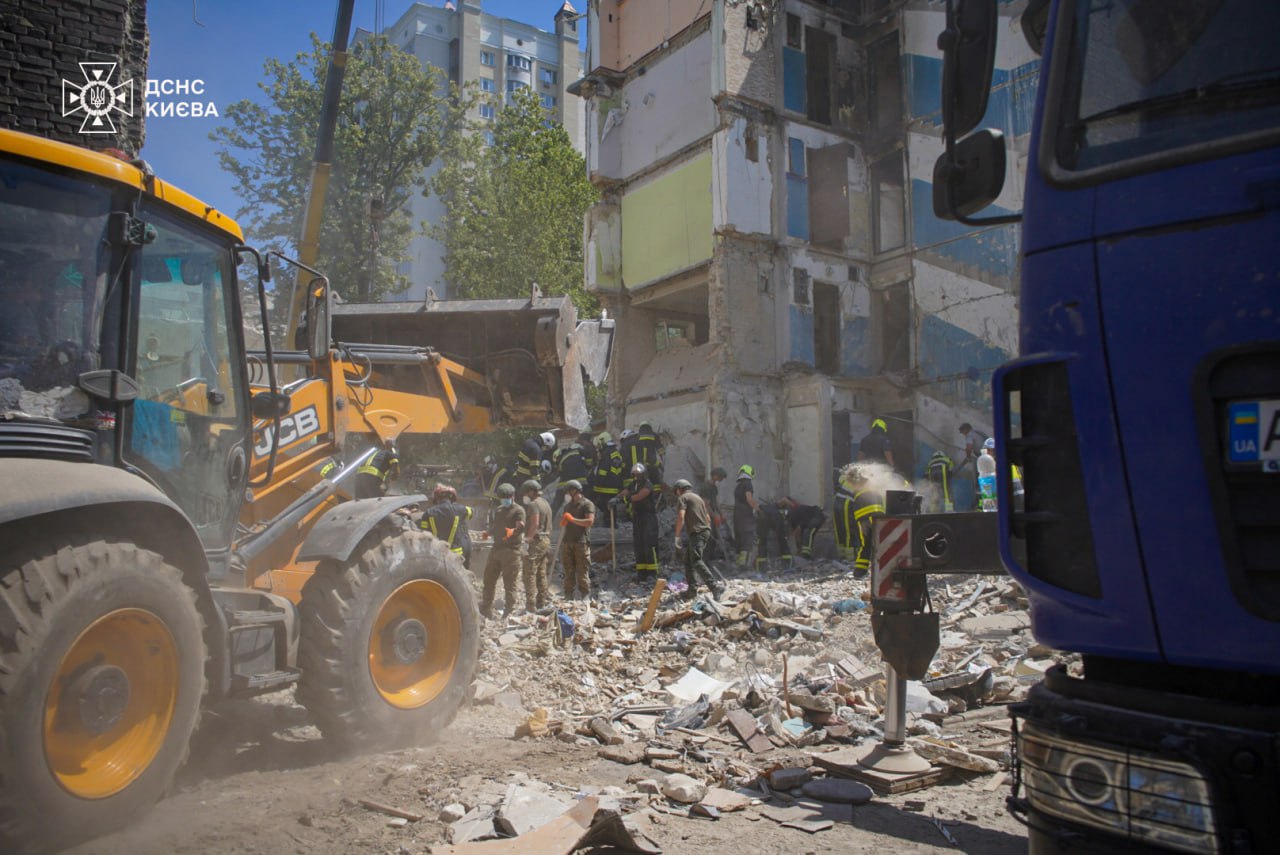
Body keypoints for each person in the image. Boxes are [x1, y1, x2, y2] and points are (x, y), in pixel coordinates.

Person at [672, 479, 725, 601]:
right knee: (688, 561)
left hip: (697, 533)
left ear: (679, 489)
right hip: (704, 531)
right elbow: (707, 518)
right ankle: (692, 590)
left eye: (676, 492)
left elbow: (681, 516)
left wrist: (677, 536)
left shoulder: (683, 498)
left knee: (696, 560)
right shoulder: (698, 498)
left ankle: (715, 587)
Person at [481, 482, 525, 618]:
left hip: (511, 551)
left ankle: (508, 612)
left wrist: (514, 531)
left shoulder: (518, 510)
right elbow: (496, 526)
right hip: (496, 549)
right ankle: (486, 609)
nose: (504, 500)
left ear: (512, 496)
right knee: (488, 579)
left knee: (509, 583)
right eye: (502, 497)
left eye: (506, 497)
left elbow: (521, 526)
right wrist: (488, 532)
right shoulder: (499, 510)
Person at [836, 464, 885, 578]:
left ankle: (860, 571)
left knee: (865, 545)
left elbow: (861, 509)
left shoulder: (860, 491)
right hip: (879, 516)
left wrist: (863, 524)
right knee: (880, 543)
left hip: (864, 517)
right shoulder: (873, 488)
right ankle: (881, 570)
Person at [421, 483, 474, 568]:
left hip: (437, 554)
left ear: (436, 498)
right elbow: (471, 512)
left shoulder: (428, 513)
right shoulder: (460, 509)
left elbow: (424, 533)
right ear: (453, 498)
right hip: (456, 555)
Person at [559, 479, 596, 600]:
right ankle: (568, 596)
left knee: (582, 572)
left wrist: (572, 519)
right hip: (567, 542)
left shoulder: (587, 504)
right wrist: (564, 521)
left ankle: (585, 596)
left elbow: (589, 521)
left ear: (575, 491)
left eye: (568, 492)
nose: (567, 495)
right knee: (568, 572)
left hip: (581, 542)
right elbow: (565, 523)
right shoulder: (568, 506)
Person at [520, 479, 553, 612]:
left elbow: (534, 524)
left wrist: (527, 540)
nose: (525, 496)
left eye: (526, 493)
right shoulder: (546, 503)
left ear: (531, 491)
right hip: (545, 540)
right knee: (541, 573)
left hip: (536, 541)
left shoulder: (533, 504)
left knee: (529, 573)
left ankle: (531, 606)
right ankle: (541, 603)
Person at [623, 463, 659, 580]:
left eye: (638, 474)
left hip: (648, 517)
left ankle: (652, 573)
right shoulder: (633, 485)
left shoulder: (648, 485)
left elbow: (639, 496)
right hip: (637, 518)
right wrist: (616, 498)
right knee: (639, 544)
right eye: (635, 474)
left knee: (649, 544)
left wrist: (626, 499)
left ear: (643, 474)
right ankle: (641, 573)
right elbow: (625, 492)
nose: (636, 476)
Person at [589, 432, 624, 527]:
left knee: (605, 505)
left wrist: (597, 483)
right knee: (611, 506)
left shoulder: (606, 453)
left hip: (606, 485)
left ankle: (609, 524)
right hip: (614, 484)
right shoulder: (615, 452)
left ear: (602, 442)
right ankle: (611, 523)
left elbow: (603, 471)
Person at [551, 435, 590, 508]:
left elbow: (559, 472)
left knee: (557, 501)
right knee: (585, 501)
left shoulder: (562, 458)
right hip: (582, 482)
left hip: (566, 483)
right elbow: (588, 464)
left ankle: (550, 516)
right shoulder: (577, 451)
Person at [698, 466, 729, 556]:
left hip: (710, 515)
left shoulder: (714, 487)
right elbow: (705, 504)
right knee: (707, 538)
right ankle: (704, 560)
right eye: (721, 477)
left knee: (714, 536)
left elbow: (715, 502)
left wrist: (721, 514)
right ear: (715, 475)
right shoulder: (706, 487)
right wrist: (714, 516)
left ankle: (710, 559)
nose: (721, 479)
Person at [733, 464, 760, 567]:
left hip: (737, 514)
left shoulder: (738, 485)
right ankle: (745, 564)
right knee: (748, 537)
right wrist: (758, 509)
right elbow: (749, 499)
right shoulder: (748, 483)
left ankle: (739, 562)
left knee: (740, 537)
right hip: (746, 515)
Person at [755, 500, 792, 569]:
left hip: (762, 517)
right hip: (776, 518)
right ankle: (787, 562)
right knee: (782, 539)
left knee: (762, 540)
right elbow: (784, 499)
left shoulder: (763, 507)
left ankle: (761, 565)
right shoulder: (777, 510)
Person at [926, 448, 955, 513]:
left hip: (932, 473)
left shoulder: (930, 461)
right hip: (942, 471)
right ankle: (949, 509)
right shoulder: (946, 458)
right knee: (946, 490)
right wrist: (950, 473)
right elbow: (951, 465)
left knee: (934, 491)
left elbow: (927, 472)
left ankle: (933, 510)